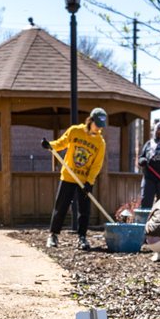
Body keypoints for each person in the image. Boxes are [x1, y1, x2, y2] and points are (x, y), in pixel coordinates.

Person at [43, 107, 108, 250]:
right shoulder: (75, 131)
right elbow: (61, 143)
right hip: (68, 176)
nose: (98, 128)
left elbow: (96, 165)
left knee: (84, 210)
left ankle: (82, 238)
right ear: (90, 121)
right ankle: (53, 235)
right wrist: (50, 145)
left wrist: (89, 182)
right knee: (61, 207)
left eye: (101, 126)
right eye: (97, 124)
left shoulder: (100, 142)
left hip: (84, 180)